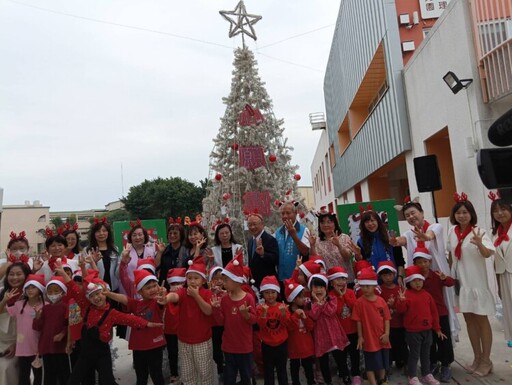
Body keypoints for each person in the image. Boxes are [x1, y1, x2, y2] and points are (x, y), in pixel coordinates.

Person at [53, 260, 162, 385]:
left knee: (107, 381)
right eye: (92, 296)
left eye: (99, 294)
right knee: (75, 380)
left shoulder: (112, 313)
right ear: (88, 298)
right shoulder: (85, 307)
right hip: (85, 353)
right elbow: (75, 289)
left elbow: (130, 319)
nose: (96, 298)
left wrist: (147, 323)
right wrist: (63, 273)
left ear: (105, 294)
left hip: (102, 354)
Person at [390, 197, 459, 340]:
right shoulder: (409, 234)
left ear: (422, 213)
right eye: (407, 215)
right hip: (418, 282)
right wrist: (394, 241)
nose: (411, 217)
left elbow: (430, 236)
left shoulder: (435, 227)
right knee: (422, 310)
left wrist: (425, 237)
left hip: (437, 279)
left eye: (413, 213)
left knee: (441, 308)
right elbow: (401, 240)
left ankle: (446, 343)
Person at [447, 193, 495, 376]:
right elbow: (451, 255)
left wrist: (479, 244)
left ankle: (486, 360)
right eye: (458, 212)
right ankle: (477, 357)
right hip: (462, 284)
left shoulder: (479, 231)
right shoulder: (452, 231)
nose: (461, 216)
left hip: (477, 283)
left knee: (482, 320)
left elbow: (487, 254)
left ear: (471, 214)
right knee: (469, 320)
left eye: (465, 212)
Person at [158, 256, 215, 385]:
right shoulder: (183, 292)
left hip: (202, 341)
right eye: (189, 278)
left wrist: (196, 296)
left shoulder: (207, 294)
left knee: (204, 373)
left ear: (203, 280)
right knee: (187, 374)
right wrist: (165, 299)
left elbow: (208, 311)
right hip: (184, 341)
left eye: (196, 278)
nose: (192, 281)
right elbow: (174, 296)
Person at [104, 269, 166, 385]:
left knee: (156, 374)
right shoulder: (137, 304)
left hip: (155, 345)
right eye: (148, 288)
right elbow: (124, 299)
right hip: (138, 346)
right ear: (140, 291)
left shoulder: (157, 302)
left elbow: (163, 302)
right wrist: (108, 294)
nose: (152, 289)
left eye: (154, 286)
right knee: (141, 375)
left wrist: (163, 297)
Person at [395, 266, 445, 385]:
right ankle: (412, 376)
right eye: (414, 281)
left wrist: (437, 328)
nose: (417, 283)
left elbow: (434, 313)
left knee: (425, 354)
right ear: (409, 282)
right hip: (413, 332)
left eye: (420, 280)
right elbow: (400, 311)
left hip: (427, 331)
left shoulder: (427, 295)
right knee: (414, 355)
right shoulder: (406, 295)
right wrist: (401, 301)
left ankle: (426, 374)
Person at [211, 255, 257, 385]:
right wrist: (216, 309)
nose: (223, 283)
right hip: (229, 347)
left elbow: (253, 320)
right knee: (229, 379)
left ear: (236, 281)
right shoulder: (225, 299)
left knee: (245, 377)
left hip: (244, 347)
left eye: (226, 280)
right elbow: (221, 322)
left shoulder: (248, 298)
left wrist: (246, 315)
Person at [413, 246, 455, 382]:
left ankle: (445, 365)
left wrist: (444, 278)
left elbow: (451, 283)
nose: (423, 264)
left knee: (444, 340)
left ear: (430, 262)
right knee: (428, 342)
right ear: (415, 264)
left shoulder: (436, 275)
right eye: (419, 262)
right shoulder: (415, 279)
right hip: (424, 315)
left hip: (440, 312)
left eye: (425, 261)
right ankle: (432, 363)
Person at [0, 274, 45, 385]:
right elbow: (1, 311)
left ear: (40, 290)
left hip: (39, 349)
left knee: (38, 377)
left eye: (33, 287)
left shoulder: (46, 306)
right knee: (23, 377)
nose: (30, 290)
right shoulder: (19, 305)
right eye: (28, 287)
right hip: (22, 349)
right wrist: (5, 300)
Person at [306, 273, 348, 385]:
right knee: (323, 360)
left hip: (334, 332)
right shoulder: (310, 304)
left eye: (321, 287)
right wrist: (319, 303)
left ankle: (345, 376)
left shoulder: (332, 298)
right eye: (316, 287)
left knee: (340, 357)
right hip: (321, 335)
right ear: (311, 289)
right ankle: (328, 381)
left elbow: (331, 312)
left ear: (325, 288)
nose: (319, 290)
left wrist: (322, 302)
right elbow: (313, 315)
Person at [351, 267, 391, 385]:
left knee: (383, 362)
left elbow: (387, 319)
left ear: (374, 286)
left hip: (382, 338)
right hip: (369, 339)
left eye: (368, 286)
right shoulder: (359, 303)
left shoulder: (381, 301)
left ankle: (382, 380)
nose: (365, 289)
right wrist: (360, 336)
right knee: (370, 365)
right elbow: (358, 320)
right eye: (363, 286)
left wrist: (387, 333)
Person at [32, 275, 70, 385]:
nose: (53, 294)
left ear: (63, 292)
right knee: (49, 375)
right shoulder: (45, 308)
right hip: (46, 348)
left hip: (61, 348)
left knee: (64, 374)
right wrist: (37, 318)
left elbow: (69, 325)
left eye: (56, 291)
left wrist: (63, 333)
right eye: (50, 291)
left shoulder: (66, 307)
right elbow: (37, 327)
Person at [327, 267, 361, 385]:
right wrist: (340, 297)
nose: (341, 282)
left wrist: (344, 296)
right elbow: (336, 312)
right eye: (337, 279)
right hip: (338, 332)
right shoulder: (330, 295)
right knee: (340, 356)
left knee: (354, 354)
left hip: (352, 330)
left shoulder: (351, 292)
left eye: (342, 278)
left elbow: (355, 307)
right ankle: (344, 374)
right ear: (331, 282)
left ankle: (356, 374)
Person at [0, 262, 31, 385]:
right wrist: (4, 301)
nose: (14, 277)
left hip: (21, 343)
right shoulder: (2, 292)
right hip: (2, 341)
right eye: (11, 274)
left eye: (19, 274)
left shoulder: (30, 293)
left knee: (7, 368)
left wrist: (16, 344)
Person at [355, 210, 405, 285]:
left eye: (372, 220)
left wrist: (400, 277)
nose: (370, 224)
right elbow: (362, 263)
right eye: (367, 222)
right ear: (363, 224)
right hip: (373, 284)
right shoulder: (361, 242)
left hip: (393, 282)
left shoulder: (391, 238)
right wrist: (358, 255)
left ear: (378, 221)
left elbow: (400, 260)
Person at [256, 275, 290, 385]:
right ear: (262, 294)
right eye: (267, 292)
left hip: (282, 344)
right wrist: (264, 314)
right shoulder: (260, 308)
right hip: (267, 345)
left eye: (273, 292)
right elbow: (260, 325)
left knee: (282, 371)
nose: (270, 295)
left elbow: (286, 324)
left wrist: (283, 314)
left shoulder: (282, 306)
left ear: (277, 293)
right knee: (268, 372)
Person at [489, 191, 512, 348]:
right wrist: (498, 284)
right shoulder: (495, 233)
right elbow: (496, 262)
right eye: (495, 211)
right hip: (504, 278)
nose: (499, 213)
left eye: (503, 209)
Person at [308, 208, 354, 284]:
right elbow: (316, 262)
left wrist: (339, 245)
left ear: (335, 223)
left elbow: (347, 257)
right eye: (322, 222)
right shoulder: (317, 241)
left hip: (346, 281)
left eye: (329, 222)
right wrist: (312, 246)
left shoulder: (344, 237)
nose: (325, 225)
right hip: (328, 281)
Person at [377, 261, 407, 373]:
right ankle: (387, 365)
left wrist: (397, 305)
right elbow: (377, 307)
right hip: (386, 325)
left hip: (400, 323)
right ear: (380, 276)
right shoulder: (379, 290)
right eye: (384, 275)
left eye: (390, 275)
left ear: (394, 275)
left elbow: (405, 306)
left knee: (402, 344)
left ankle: (403, 362)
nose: (388, 278)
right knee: (388, 346)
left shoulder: (400, 288)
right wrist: (387, 305)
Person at [284, 278, 315, 385]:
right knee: (294, 367)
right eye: (300, 297)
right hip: (294, 347)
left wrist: (305, 317)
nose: (304, 299)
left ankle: (311, 381)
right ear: (293, 299)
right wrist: (296, 315)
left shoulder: (306, 309)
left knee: (308, 367)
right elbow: (289, 327)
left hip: (306, 346)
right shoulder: (288, 312)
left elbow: (311, 327)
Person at [119, 222, 163, 297]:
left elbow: (155, 266)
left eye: (140, 234)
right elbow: (120, 273)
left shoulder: (150, 251)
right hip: (131, 288)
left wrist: (160, 253)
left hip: (149, 287)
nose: (137, 237)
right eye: (134, 235)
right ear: (130, 237)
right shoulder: (126, 252)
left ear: (144, 236)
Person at [274, 202, 310, 281]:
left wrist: (294, 235)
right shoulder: (277, 232)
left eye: (288, 213)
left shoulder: (303, 230)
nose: (285, 216)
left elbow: (305, 252)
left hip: (298, 278)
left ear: (295, 213)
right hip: (281, 277)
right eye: (283, 213)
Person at [85, 218, 120, 293]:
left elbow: (117, 271)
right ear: (94, 234)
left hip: (113, 287)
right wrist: (93, 262)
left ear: (108, 233)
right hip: (96, 289)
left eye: (104, 231)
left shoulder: (115, 249)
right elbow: (85, 271)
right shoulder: (88, 250)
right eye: (98, 231)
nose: (101, 233)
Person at [164, 268, 186, 385]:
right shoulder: (166, 296)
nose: (176, 286)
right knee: (172, 354)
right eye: (173, 283)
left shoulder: (187, 296)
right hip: (170, 332)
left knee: (184, 354)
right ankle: (174, 374)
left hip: (184, 331)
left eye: (179, 283)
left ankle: (185, 375)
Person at [246, 212, 279, 288]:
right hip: (253, 282)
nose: (252, 227)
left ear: (262, 224)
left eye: (255, 224)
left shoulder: (270, 239)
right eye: (249, 225)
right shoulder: (250, 241)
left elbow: (275, 259)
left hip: (267, 283)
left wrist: (263, 254)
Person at [157, 218, 188, 286]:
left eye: (175, 233)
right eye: (170, 233)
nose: (172, 235)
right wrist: (160, 253)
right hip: (165, 286)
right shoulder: (164, 250)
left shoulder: (186, 251)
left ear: (181, 235)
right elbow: (156, 266)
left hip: (182, 286)